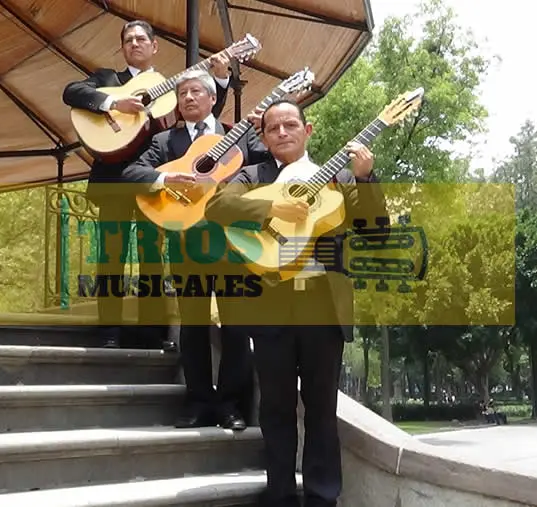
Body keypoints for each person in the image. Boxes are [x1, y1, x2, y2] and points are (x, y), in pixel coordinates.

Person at [205, 99, 388, 507]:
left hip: (323, 305)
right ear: (264, 137)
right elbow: (217, 205)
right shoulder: (253, 175)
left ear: (308, 131)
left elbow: (375, 233)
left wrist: (367, 178)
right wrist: (272, 205)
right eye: (273, 128)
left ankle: (323, 498)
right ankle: (281, 496)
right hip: (269, 305)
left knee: (322, 408)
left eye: (291, 125)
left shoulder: (341, 176)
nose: (283, 132)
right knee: (276, 408)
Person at [62, 20, 232, 349]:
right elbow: (71, 92)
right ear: (122, 48)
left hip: (156, 181)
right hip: (113, 178)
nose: (134, 44)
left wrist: (221, 79)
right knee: (110, 256)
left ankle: (152, 333)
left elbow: (204, 119)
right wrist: (114, 104)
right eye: (128, 40)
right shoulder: (107, 79)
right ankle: (108, 331)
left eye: (141, 39)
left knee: (152, 256)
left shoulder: (172, 89)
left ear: (155, 47)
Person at [124, 69, 269, 430]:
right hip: (186, 242)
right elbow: (130, 173)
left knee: (237, 326)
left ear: (211, 98)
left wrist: (265, 128)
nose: (187, 98)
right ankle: (198, 400)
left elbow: (269, 168)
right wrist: (165, 178)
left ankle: (232, 405)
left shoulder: (239, 134)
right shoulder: (163, 141)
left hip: (234, 241)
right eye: (182, 93)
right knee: (193, 325)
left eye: (194, 92)